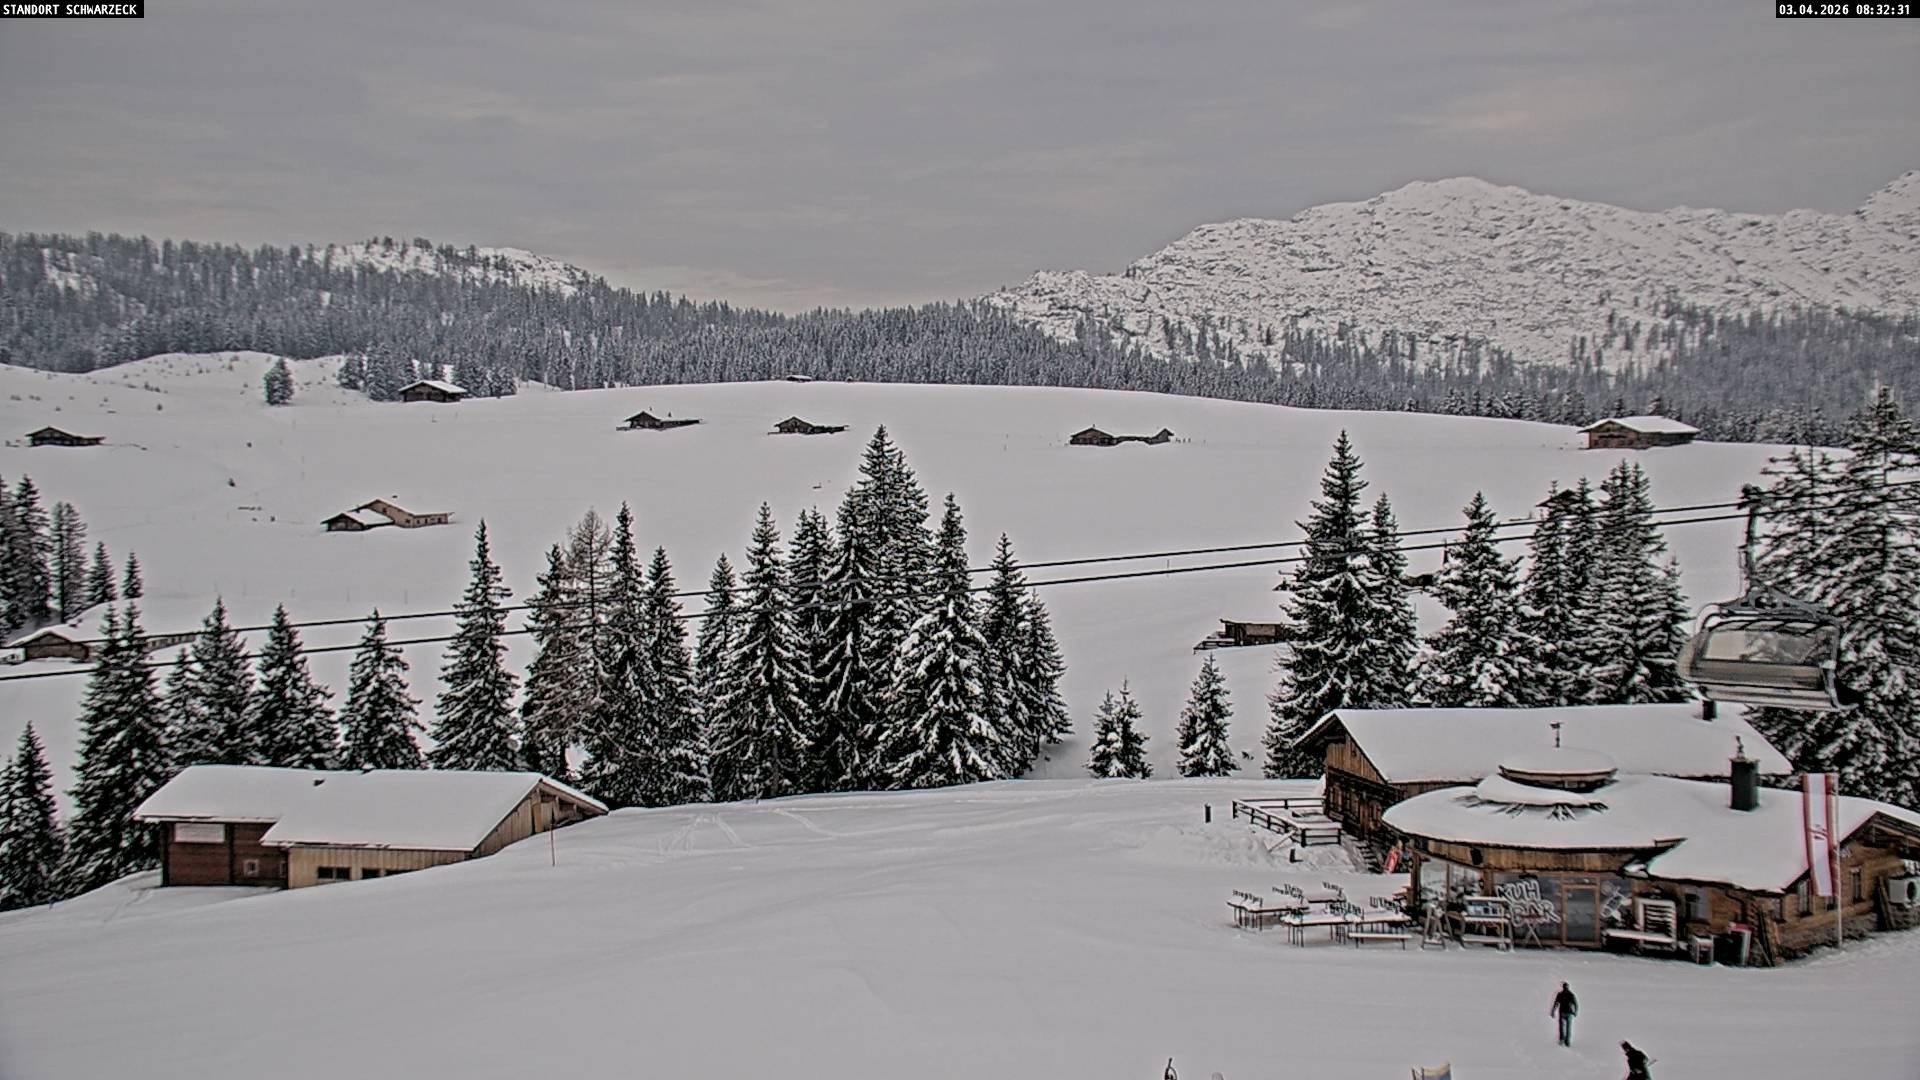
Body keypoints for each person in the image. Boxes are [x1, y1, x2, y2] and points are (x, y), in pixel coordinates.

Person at [1550, 982, 1578, 1046]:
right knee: (1568, 1028)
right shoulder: (1571, 994)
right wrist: (1575, 1012)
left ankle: (1562, 1039)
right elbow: (1576, 1004)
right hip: (1569, 1013)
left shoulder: (1560, 994)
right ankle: (1567, 1041)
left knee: (1562, 1027)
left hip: (1563, 1012)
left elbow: (1556, 1003)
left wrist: (1553, 1011)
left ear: (1563, 987)